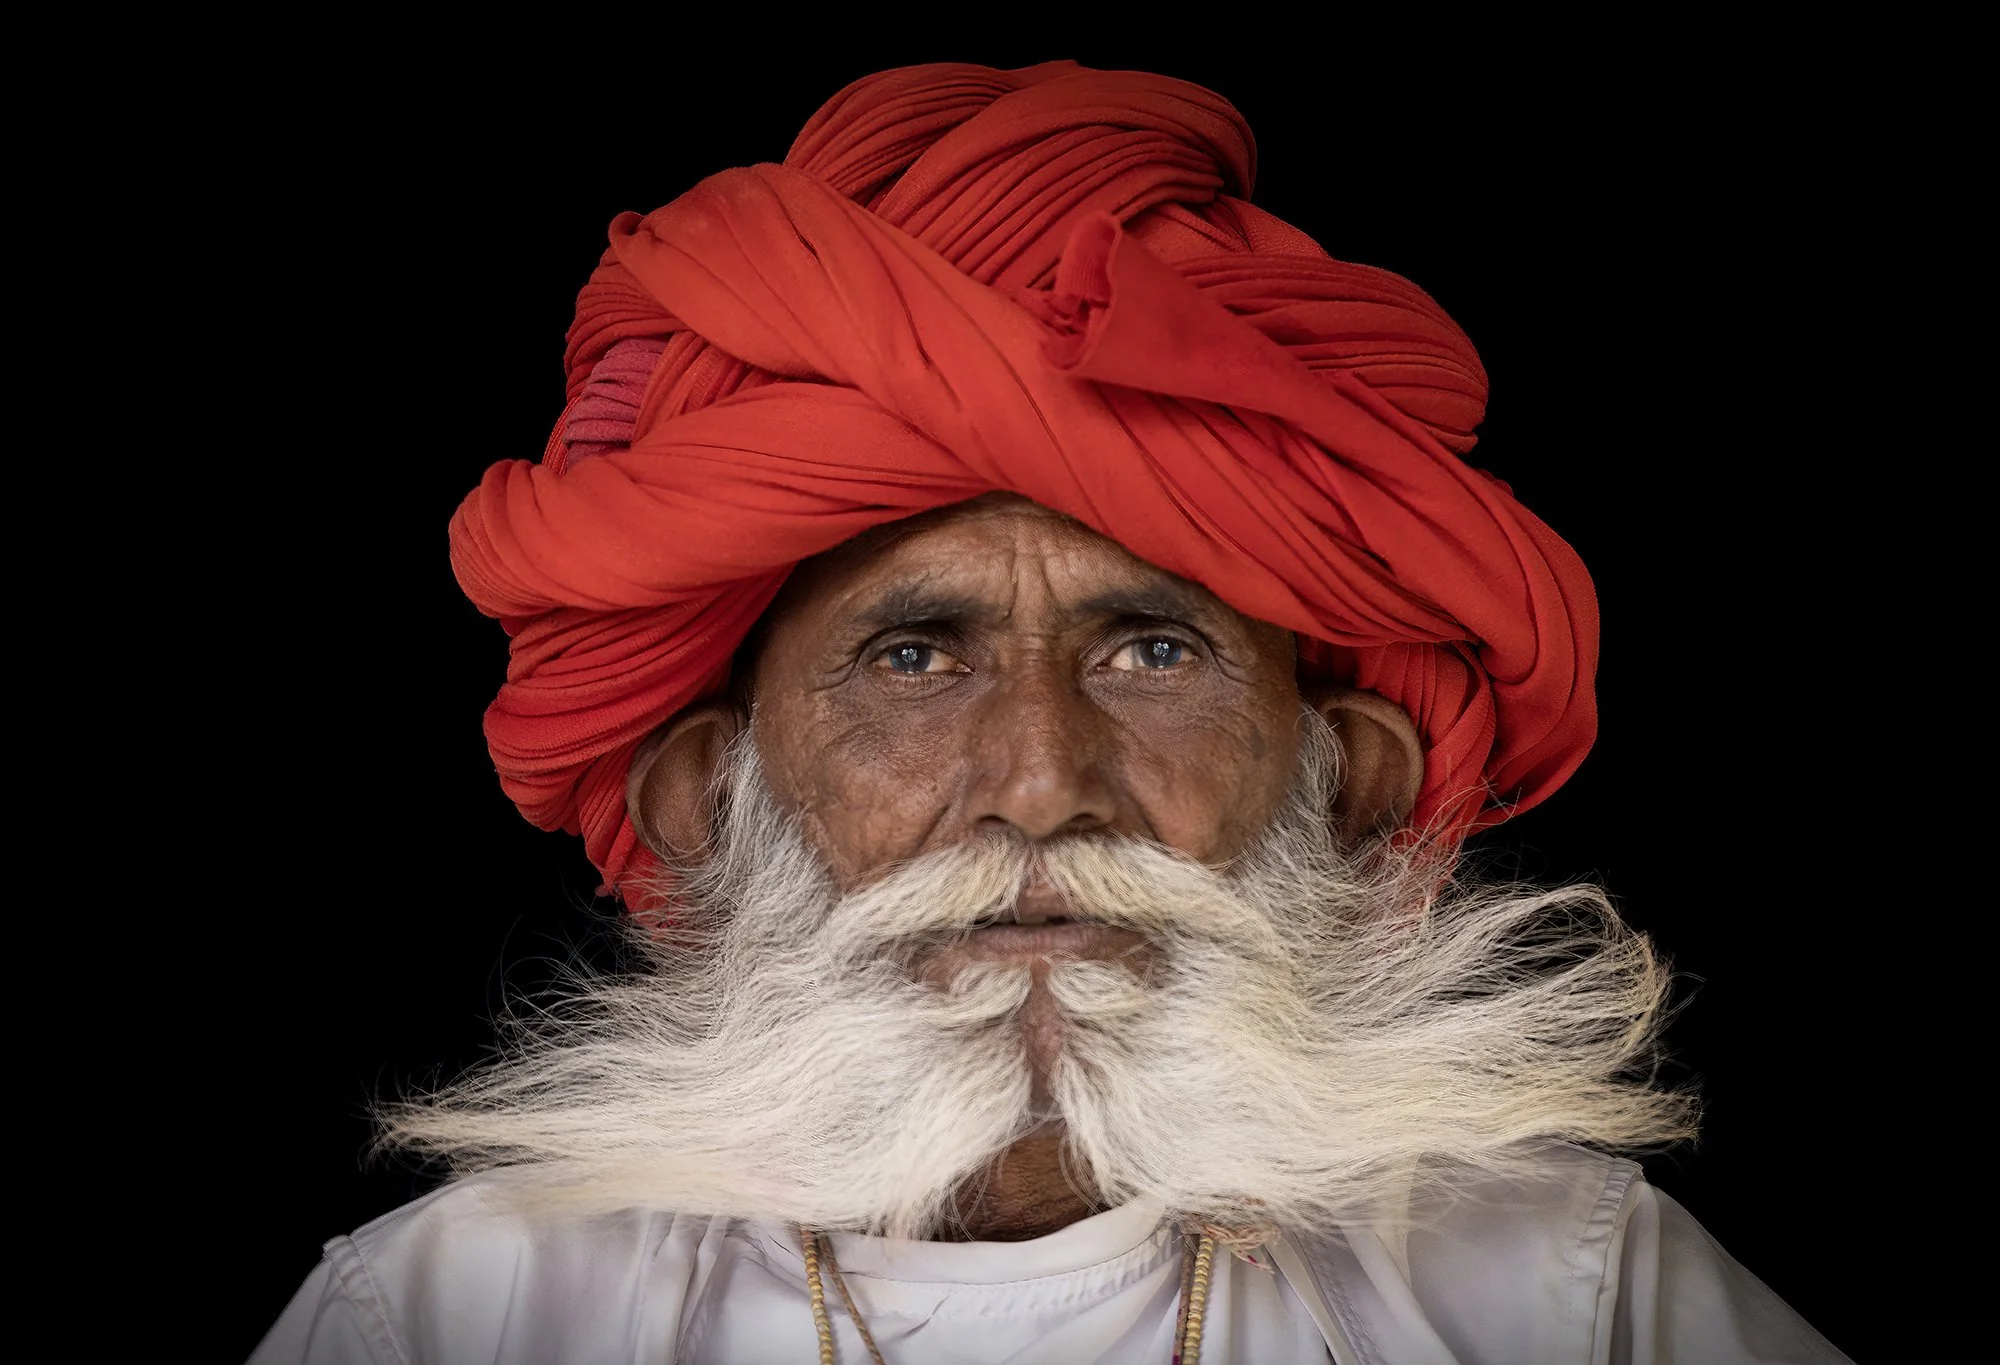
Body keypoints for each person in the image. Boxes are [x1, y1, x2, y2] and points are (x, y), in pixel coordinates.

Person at [251, 60, 1850, 1364]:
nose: (1038, 783)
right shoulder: (464, 1317)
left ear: (1348, 793)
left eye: (1154, 653)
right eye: (913, 658)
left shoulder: (1567, 1300)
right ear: (705, 808)